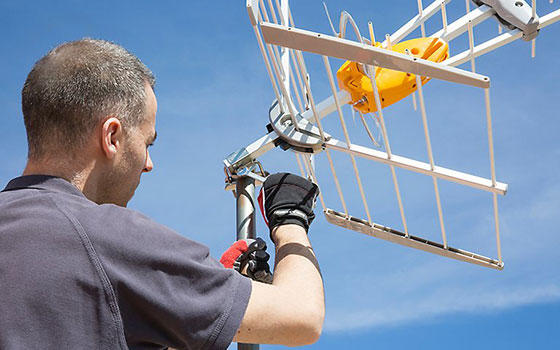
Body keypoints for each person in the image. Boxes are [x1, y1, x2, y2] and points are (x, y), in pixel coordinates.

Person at [0, 38, 324, 349]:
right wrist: (290, 221)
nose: (148, 164)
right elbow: (301, 316)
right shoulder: (111, 238)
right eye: (147, 142)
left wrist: (199, 302)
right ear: (112, 136)